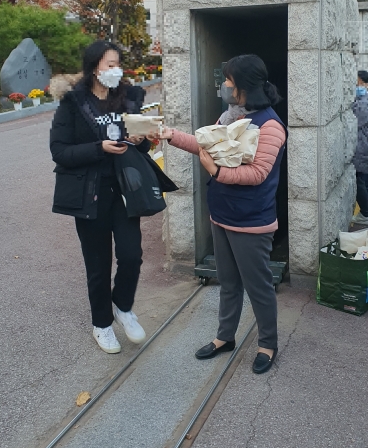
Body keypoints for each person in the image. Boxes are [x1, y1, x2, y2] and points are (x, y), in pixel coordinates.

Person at [160, 55, 286, 375]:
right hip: (222, 213)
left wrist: (215, 172)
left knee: (258, 287)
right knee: (228, 283)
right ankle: (224, 337)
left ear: (243, 86)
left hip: (252, 220)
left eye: (228, 81)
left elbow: (257, 174)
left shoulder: (270, 126)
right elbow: (205, 145)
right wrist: (168, 134)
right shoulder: (228, 117)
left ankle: (267, 344)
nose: (223, 86)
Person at [50, 40, 154, 355]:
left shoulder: (127, 99)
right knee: (98, 265)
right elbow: (60, 151)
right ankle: (102, 324)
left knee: (132, 255)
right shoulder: (73, 102)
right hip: (89, 193)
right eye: (110, 64)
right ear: (95, 66)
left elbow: (142, 147)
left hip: (124, 190)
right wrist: (99, 148)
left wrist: (140, 140)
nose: (116, 70)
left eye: (118, 64)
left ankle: (122, 306)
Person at [352, 71, 368, 226]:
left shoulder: (367, 102)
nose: (356, 86)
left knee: (358, 179)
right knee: (358, 179)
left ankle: (366, 214)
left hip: (361, 146)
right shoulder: (366, 100)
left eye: (358, 83)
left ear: (366, 84)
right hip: (362, 145)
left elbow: (356, 120)